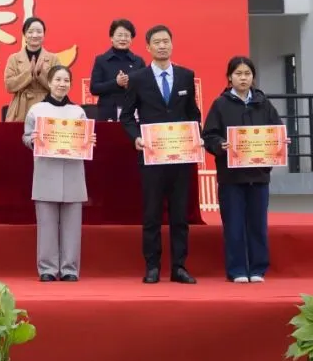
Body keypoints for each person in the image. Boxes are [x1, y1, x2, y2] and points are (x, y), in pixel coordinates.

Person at [120, 24, 203, 285]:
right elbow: (126, 116)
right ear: (148, 47)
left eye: (166, 41)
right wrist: (136, 137)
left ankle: (179, 267)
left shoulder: (186, 76)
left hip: (181, 158)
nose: (162, 46)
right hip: (152, 157)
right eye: (157, 42)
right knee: (152, 214)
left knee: (180, 215)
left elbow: (193, 113)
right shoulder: (138, 78)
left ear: (172, 44)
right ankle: (152, 266)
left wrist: (196, 134)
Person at [202, 56, 287, 283]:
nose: (243, 78)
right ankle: (237, 269)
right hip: (231, 176)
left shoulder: (264, 103)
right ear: (229, 77)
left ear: (253, 77)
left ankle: (258, 268)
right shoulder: (220, 105)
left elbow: (277, 130)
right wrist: (220, 145)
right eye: (238, 74)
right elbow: (209, 135)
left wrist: (280, 142)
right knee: (234, 224)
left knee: (258, 224)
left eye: (247, 74)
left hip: (258, 175)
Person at [23, 65, 93, 282]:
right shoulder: (37, 110)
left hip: (73, 171)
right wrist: (32, 140)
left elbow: (84, 139)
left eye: (66, 80)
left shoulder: (78, 112)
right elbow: (26, 136)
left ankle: (70, 268)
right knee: (46, 224)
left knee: (72, 224)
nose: (62, 84)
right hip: (46, 169)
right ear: (49, 82)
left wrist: (88, 140)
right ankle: (48, 268)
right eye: (58, 80)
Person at [89, 19, 146, 122]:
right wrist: (116, 83)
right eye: (119, 35)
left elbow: (145, 89)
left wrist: (131, 85)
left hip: (133, 113)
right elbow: (94, 88)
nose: (123, 38)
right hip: (108, 113)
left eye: (127, 35)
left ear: (131, 39)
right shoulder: (101, 60)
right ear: (111, 37)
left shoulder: (138, 61)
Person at [3, 16, 57, 122]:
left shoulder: (53, 59)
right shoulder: (14, 58)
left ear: (44, 34)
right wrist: (29, 73)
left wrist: (40, 73)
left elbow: (57, 87)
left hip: (46, 106)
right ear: (24, 35)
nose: (35, 35)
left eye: (39, 32)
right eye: (30, 32)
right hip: (20, 108)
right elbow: (9, 86)